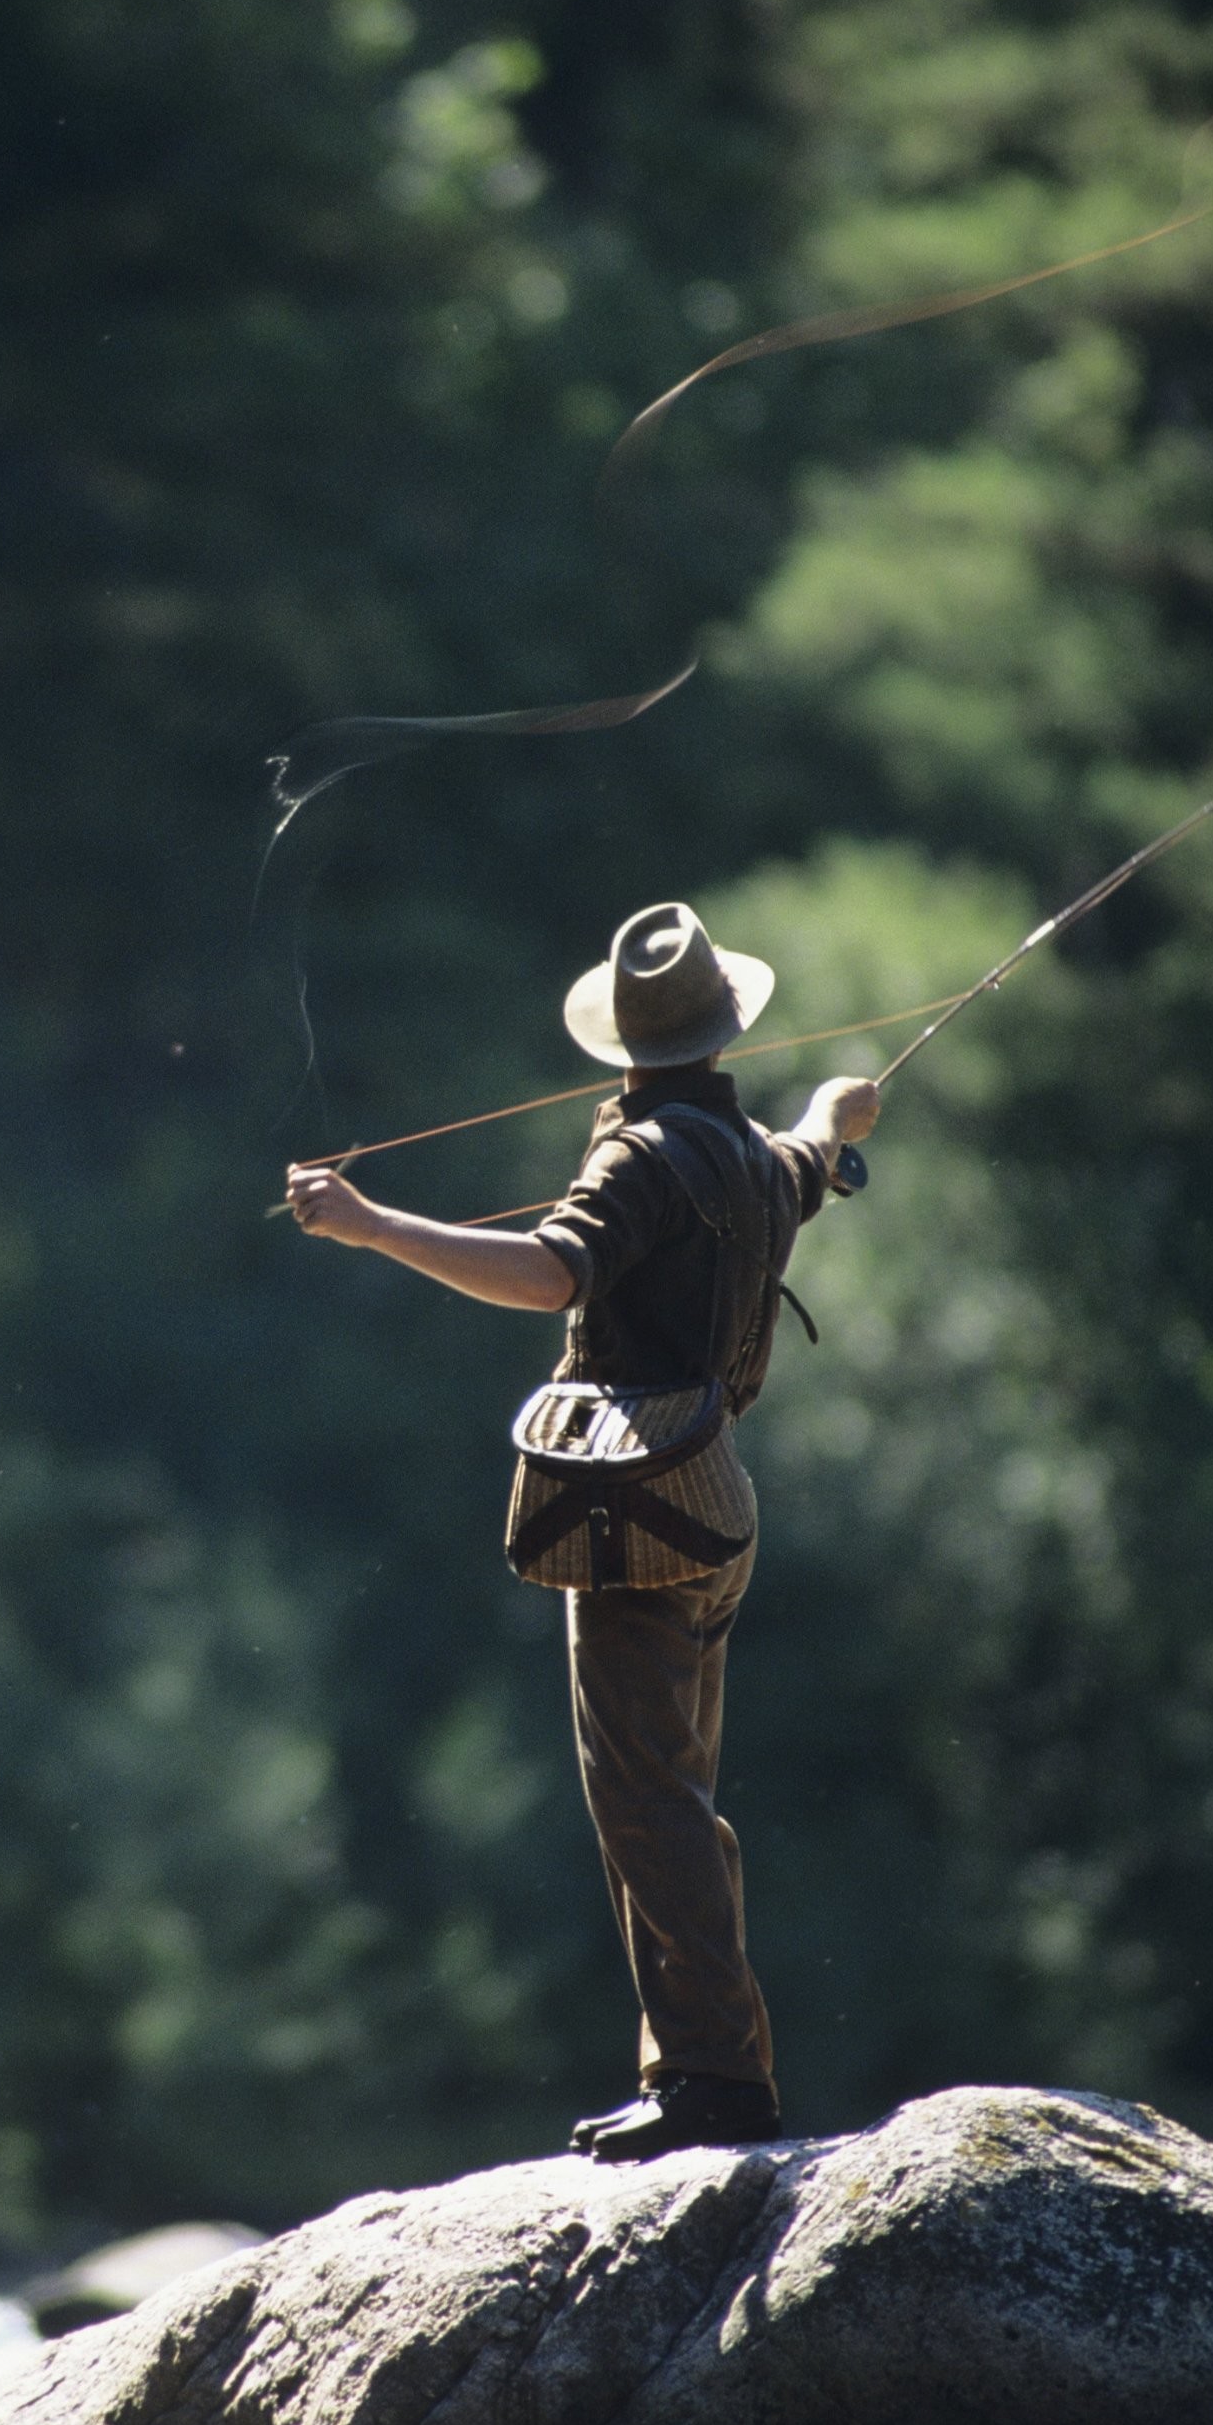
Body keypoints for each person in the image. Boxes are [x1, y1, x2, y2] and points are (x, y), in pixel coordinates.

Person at [285, 901, 881, 2163]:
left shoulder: (641, 1156)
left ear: (622, 1043)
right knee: (672, 1791)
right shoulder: (747, 1150)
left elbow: (548, 1275)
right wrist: (839, 1113)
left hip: (636, 1518)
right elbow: (812, 1154)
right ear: (725, 1026)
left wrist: (371, 1225)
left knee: (644, 1802)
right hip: (714, 1502)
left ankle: (714, 2083)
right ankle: (690, 2067)